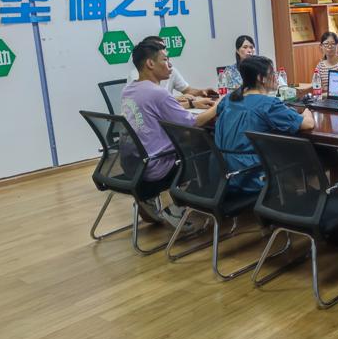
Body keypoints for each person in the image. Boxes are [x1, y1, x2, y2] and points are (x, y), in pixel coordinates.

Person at [121, 38, 221, 225]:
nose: (170, 65)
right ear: (150, 63)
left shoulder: (129, 89)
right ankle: (179, 208)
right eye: (165, 60)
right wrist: (218, 106)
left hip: (135, 163)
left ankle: (154, 199)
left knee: (193, 141)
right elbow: (192, 122)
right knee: (206, 149)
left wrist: (191, 102)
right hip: (159, 164)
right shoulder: (157, 93)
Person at [214, 55, 314, 193]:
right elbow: (307, 124)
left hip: (221, 172)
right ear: (261, 78)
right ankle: (302, 195)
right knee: (300, 155)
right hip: (250, 174)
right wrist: (306, 112)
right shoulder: (268, 104)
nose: (276, 77)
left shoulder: (229, 99)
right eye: (272, 73)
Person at [126, 36, 215, 107]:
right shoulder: (137, 76)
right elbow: (149, 103)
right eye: (159, 48)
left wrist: (201, 92)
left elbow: (187, 90)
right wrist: (177, 100)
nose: (164, 51)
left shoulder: (170, 70)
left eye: (164, 48)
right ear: (150, 62)